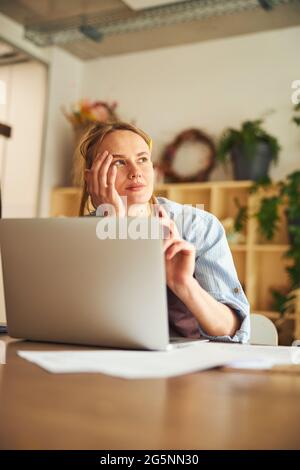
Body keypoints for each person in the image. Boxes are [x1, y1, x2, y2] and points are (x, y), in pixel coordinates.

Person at [79, 121, 250, 343]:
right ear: (91, 176)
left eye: (142, 159)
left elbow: (233, 330)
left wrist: (184, 284)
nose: (136, 172)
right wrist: (115, 227)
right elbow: (92, 322)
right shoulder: (79, 236)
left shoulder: (198, 227)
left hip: (190, 368)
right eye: (119, 162)